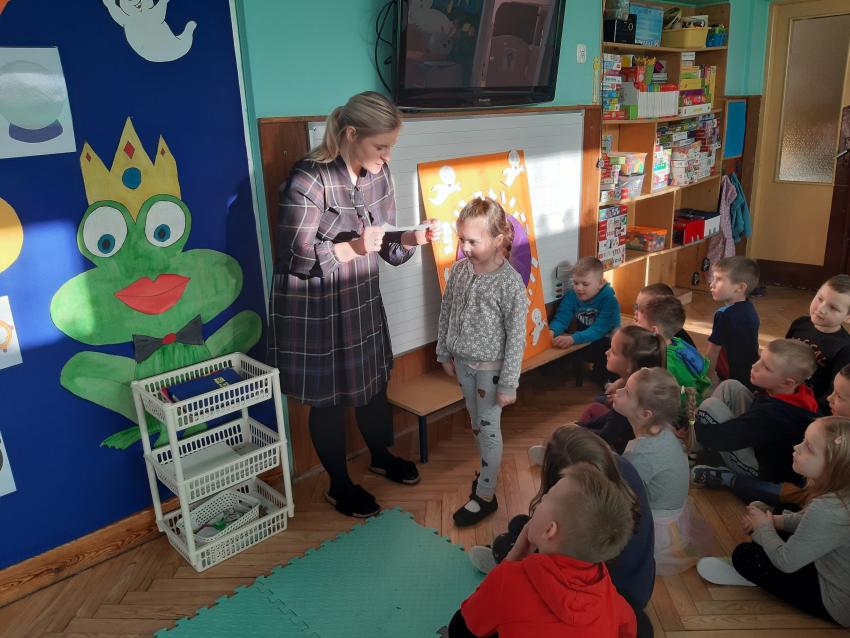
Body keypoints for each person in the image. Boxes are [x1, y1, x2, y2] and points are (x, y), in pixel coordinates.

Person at [268, 92, 438, 518]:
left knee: (373, 383)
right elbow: (294, 257)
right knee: (328, 398)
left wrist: (412, 238)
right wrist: (353, 248)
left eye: (391, 147)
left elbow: (386, 246)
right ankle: (338, 486)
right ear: (350, 134)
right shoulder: (309, 179)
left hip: (359, 295)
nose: (387, 156)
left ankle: (380, 456)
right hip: (315, 304)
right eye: (381, 146)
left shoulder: (379, 175)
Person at [473, 425, 656, 637]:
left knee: (513, 534)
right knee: (519, 525)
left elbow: (464, 625)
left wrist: (510, 564)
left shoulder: (515, 582)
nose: (542, 497)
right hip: (628, 591)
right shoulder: (622, 474)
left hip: (613, 591)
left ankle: (500, 553)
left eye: (549, 494)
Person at [448, 464, 638, 638]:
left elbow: (459, 629)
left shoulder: (508, 581)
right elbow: (628, 627)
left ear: (549, 530)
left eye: (545, 499)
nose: (542, 499)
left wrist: (512, 560)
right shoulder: (607, 590)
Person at [697, 417, 850, 629]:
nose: (796, 448)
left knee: (745, 556)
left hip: (836, 603)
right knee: (780, 511)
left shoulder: (827, 509)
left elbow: (786, 561)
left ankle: (757, 574)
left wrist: (764, 528)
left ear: (832, 468)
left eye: (808, 448)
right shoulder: (840, 495)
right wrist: (775, 521)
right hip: (833, 570)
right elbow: (810, 522)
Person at [437, 197, 529, 526]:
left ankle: (485, 495)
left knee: (489, 430)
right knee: (476, 424)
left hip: (490, 371)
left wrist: (508, 383)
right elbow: (447, 310)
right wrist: (443, 350)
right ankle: (487, 472)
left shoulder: (509, 284)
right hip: (463, 363)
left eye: (473, 241)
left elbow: (516, 337)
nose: (465, 248)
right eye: (461, 239)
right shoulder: (460, 271)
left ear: (498, 239)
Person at [613, 367, 707, 574]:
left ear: (645, 414)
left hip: (655, 529)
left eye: (626, 392)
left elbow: (620, 495)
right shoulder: (663, 429)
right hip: (670, 515)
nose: (617, 391)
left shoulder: (641, 455)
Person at [693, 339, 819, 491]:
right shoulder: (800, 392)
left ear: (787, 383)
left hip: (761, 470)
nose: (755, 366)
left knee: (710, 406)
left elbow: (727, 438)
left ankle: (689, 443)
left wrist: (694, 427)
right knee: (731, 386)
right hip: (759, 442)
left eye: (766, 367)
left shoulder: (774, 414)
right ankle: (697, 444)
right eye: (760, 359)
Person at [576, 325, 665, 454]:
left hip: (621, 451)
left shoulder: (627, 402)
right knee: (596, 405)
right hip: (619, 432)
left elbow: (605, 437)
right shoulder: (639, 385)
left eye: (613, 351)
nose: (606, 353)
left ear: (629, 365)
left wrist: (577, 432)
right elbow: (609, 417)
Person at [549, 256, 621, 385]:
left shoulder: (610, 301)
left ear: (600, 283)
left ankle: (609, 383)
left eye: (585, 284)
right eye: (575, 283)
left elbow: (598, 330)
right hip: (585, 338)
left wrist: (573, 339)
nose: (579, 288)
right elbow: (561, 318)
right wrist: (551, 331)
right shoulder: (572, 295)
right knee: (551, 367)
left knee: (605, 368)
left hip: (607, 341)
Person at [786, 275, 850, 413]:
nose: (821, 309)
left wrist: (810, 409)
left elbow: (834, 391)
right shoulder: (800, 323)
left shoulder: (845, 347)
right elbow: (782, 355)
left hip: (808, 407)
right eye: (820, 298)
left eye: (833, 308)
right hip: (782, 389)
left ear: (848, 317)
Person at [636, 294, 711, 401]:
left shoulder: (664, 363)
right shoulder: (678, 342)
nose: (635, 324)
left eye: (639, 321)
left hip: (682, 408)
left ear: (654, 331)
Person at [705, 256, 761, 388]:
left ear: (740, 287)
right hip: (750, 373)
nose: (711, 284)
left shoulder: (724, 315)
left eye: (719, 279)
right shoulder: (750, 308)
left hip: (730, 378)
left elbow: (713, 351)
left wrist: (706, 380)